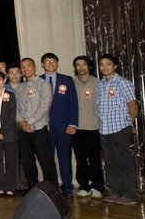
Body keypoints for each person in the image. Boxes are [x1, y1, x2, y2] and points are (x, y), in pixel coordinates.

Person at [96, 54, 138, 205]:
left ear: (115, 66)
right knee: (111, 163)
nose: (104, 67)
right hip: (104, 130)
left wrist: (129, 123)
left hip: (120, 128)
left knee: (124, 163)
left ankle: (129, 195)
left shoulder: (122, 83)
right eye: (101, 64)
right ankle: (117, 192)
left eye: (108, 64)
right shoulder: (100, 85)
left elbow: (133, 104)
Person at [39, 53, 78, 198]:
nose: (50, 64)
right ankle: (50, 187)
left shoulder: (67, 80)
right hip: (44, 127)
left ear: (57, 63)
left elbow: (73, 103)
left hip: (63, 126)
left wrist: (73, 123)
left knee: (65, 157)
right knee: (47, 159)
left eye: (53, 61)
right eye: (47, 61)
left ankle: (67, 186)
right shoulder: (38, 80)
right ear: (42, 64)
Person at [16, 58, 58, 190]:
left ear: (34, 68)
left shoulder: (43, 84)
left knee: (46, 162)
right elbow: (17, 108)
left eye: (28, 66)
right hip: (23, 130)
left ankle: (52, 189)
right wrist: (21, 122)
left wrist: (30, 122)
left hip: (39, 129)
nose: (26, 69)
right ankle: (33, 188)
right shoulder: (21, 87)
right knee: (28, 162)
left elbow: (44, 106)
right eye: (23, 67)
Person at [72, 56, 104, 199]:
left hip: (94, 127)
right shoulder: (71, 84)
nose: (81, 68)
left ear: (89, 67)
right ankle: (83, 186)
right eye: (78, 65)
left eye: (84, 65)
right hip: (77, 128)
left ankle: (97, 186)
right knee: (80, 159)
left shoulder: (98, 84)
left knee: (95, 159)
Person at [0, 71, 18, 197]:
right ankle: (0, 186)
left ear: (4, 81)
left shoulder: (10, 96)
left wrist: (2, 131)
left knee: (11, 161)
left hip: (9, 134)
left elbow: (12, 116)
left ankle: (11, 187)